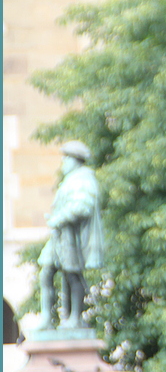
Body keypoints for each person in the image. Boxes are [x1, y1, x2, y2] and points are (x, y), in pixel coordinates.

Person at [37, 140, 104, 330]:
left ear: (76, 159)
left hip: (71, 236)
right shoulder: (70, 180)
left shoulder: (84, 179)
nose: (64, 161)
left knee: (72, 274)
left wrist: (59, 218)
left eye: (67, 157)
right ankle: (46, 318)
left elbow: (83, 207)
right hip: (58, 235)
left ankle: (75, 317)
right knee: (46, 272)